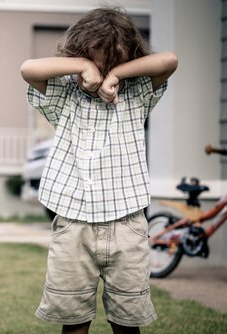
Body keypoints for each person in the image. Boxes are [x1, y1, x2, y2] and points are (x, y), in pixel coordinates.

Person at [20, 7, 178, 334]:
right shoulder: (64, 94)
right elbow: (28, 69)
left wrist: (117, 76)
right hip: (74, 222)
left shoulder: (136, 93)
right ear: (78, 53)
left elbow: (169, 61)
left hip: (126, 224)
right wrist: (82, 66)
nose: (102, 69)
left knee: (127, 321)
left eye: (112, 61)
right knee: (74, 320)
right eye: (96, 59)